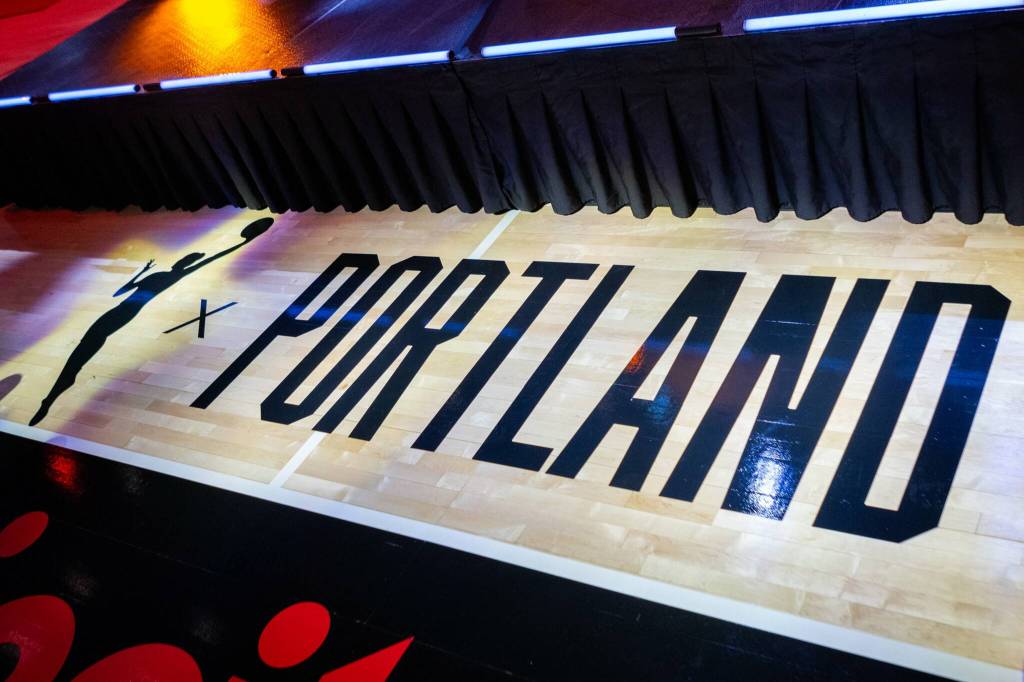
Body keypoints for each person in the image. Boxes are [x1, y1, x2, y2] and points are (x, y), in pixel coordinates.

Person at [29, 218, 272, 426]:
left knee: (85, 349)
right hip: (118, 311)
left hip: (123, 313)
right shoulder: (160, 274)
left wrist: (242, 243)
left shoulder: (176, 275)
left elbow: (211, 259)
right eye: (186, 259)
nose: (183, 262)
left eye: (187, 260)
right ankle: (53, 393)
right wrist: (142, 272)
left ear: (186, 265)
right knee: (85, 347)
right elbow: (118, 293)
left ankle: (52, 396)